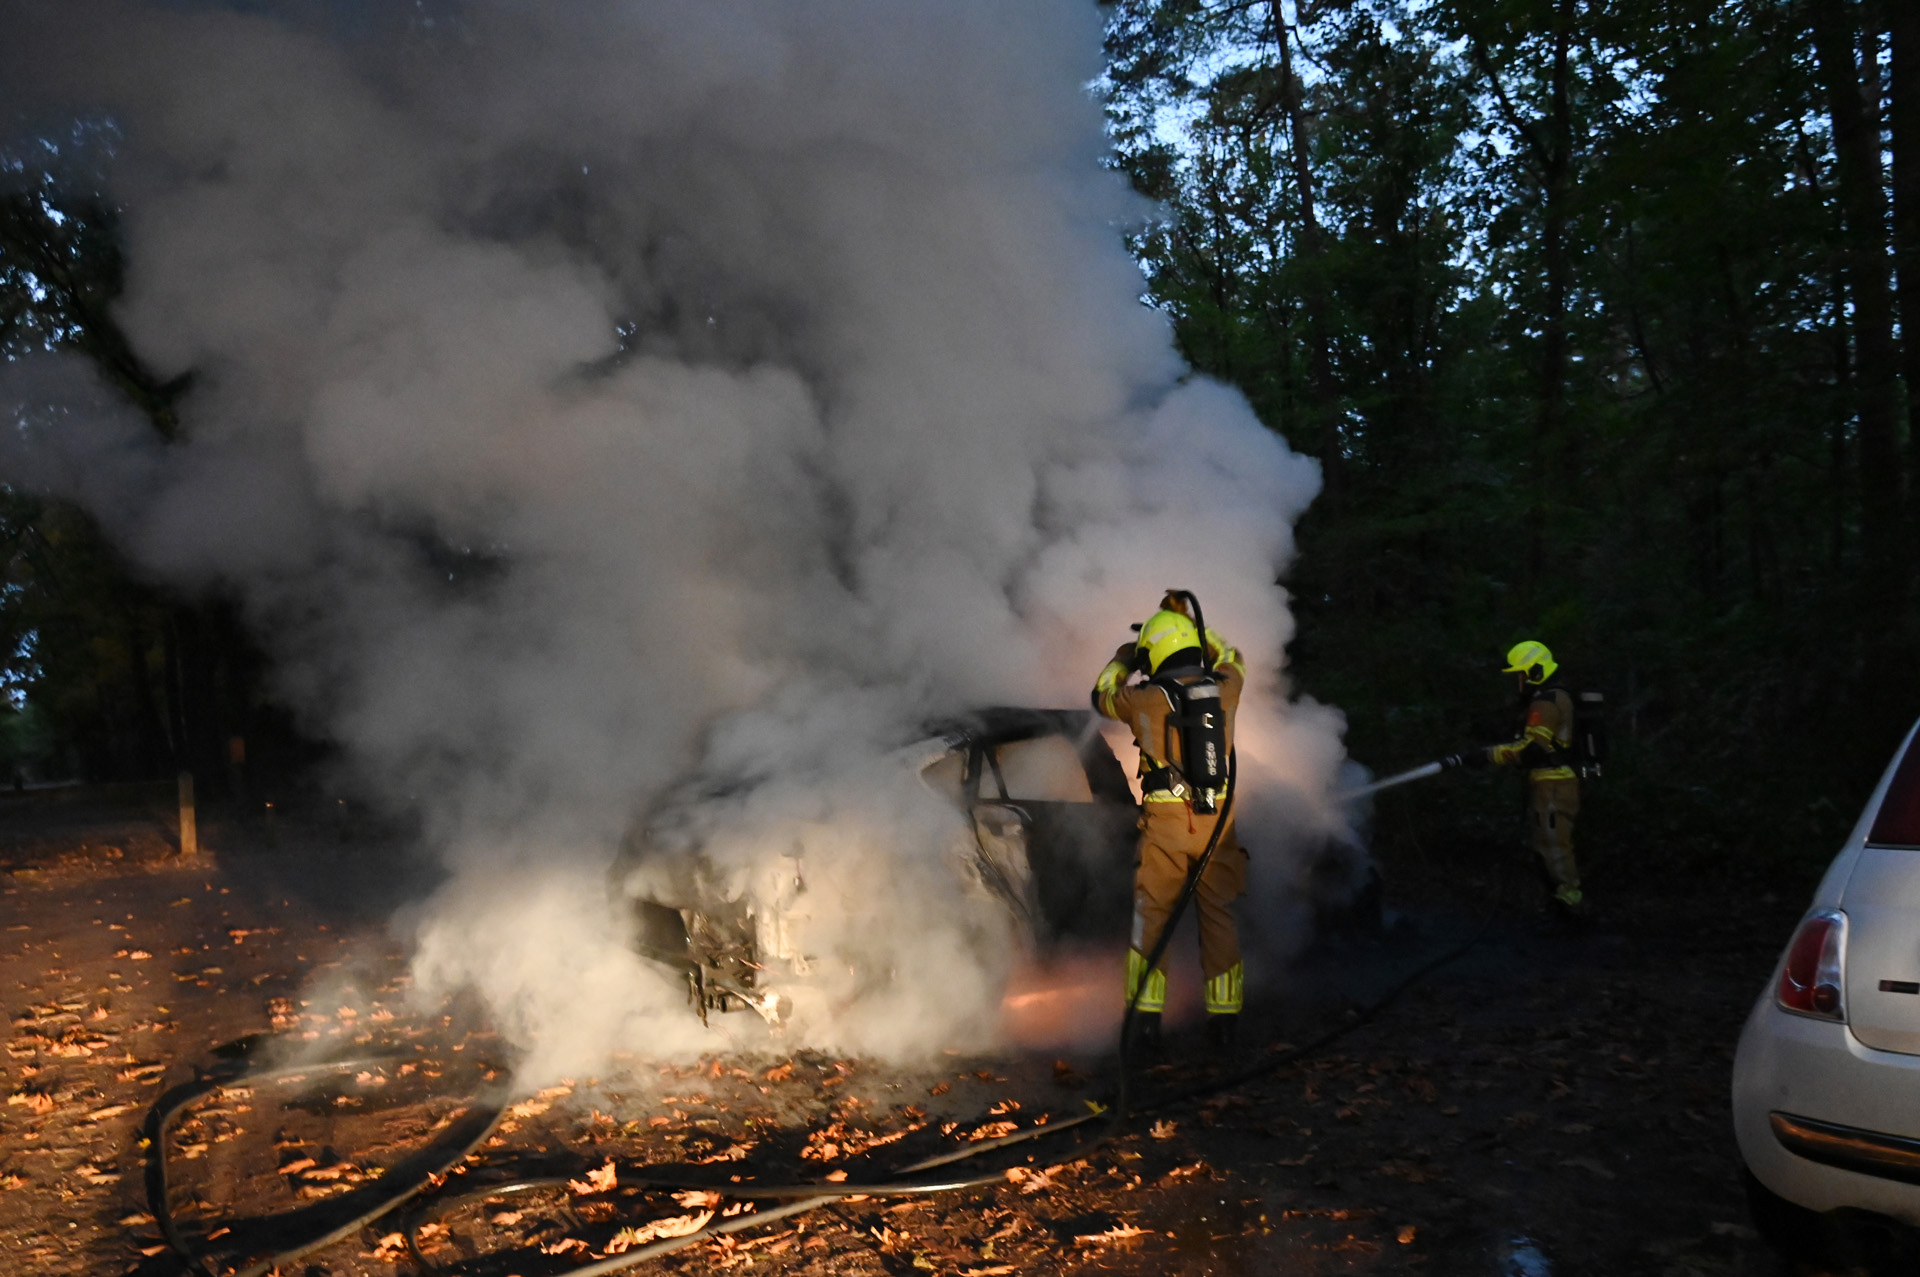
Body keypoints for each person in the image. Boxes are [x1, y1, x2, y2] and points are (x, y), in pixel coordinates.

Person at [1091, 591, 1248, 1050]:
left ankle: (1144, 1020)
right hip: (1219, 822)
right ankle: (1225, 1024)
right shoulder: (1227, 686)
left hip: (1166, 825)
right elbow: (1233, 655)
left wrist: (1122, 659)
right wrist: (1194, 623)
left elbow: (1099, 696)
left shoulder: (1142, 699)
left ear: (1153, 654)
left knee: (1152, 917)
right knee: (1218, 917)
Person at [1481, 639, 1583, 913]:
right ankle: (1559, 905)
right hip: (1550, 784)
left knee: (1554, 847)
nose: (1519, 681)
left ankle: (1571, 909)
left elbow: (1532, 749)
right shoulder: (1552, 696)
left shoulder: (1547, 702)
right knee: (1547, 846)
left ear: (1535, 671)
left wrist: (1487, 755)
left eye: (1521, 674)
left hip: (1554, 785)